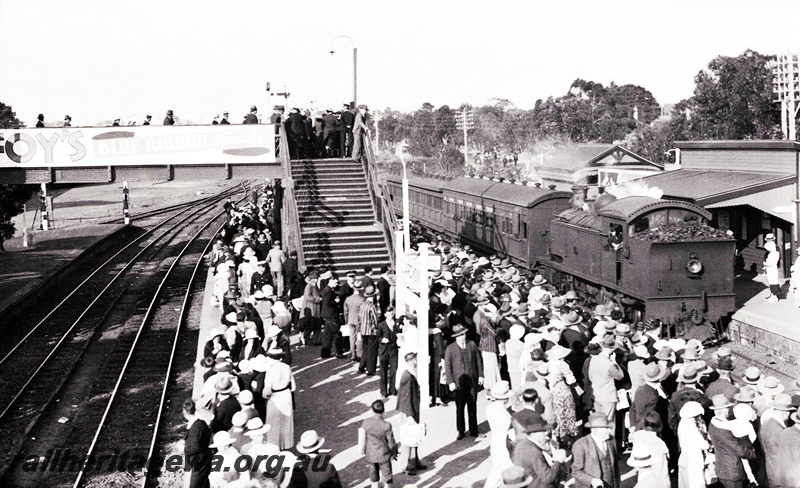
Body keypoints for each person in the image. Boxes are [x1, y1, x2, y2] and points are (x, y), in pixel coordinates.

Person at [444, 324, 484, 439]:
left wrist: (481, 375)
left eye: (463, 334)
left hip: (472, 380)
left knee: (472, 406)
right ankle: (461, 430)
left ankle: (474, 430)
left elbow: (478, 360)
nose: (462, 337)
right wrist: (450, 381)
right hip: (458, 383)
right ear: (456, 337)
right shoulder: (450, 348)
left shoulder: (471, 345)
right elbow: (448, 366)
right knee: (460, 406)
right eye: (460, 335)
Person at [707, 394, 756, 488]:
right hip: (732, 471)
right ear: (725, 409)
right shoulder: (723, 430)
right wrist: (753, 454)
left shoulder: (714, 424)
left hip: (723, 469)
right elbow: (740, 450)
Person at [510, 410, 568, 488]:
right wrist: (558, 461)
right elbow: (547, 477)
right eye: (543, 431)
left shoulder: (520, 445)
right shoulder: (533, 452)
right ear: (534, 433)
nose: (546, 433)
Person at [571, 412, 621, 488]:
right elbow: (575, 471)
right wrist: (591, 480)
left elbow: (615, 467)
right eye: (606, 428)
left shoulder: (611, 440)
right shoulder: (580, 445)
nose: (609, 431)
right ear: (596, 429)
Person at [397, 351, 427, 476]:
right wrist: (409, 415)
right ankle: (406, 465)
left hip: (412, 409)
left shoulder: (409, 374)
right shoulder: (408, 376)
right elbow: (406, 397)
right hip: (408, 411)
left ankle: (414, 461)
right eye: (416, 359)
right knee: (407, 437)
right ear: (413, 360)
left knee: (414, 436)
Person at [359, 400, 398, 488]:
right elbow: (391, 443)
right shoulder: (387, 425)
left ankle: (375, 485)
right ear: (383, 410)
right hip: (384, 454)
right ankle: (387, 485)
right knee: (387, 474)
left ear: (372, 410)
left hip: (371, 453)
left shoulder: (366, 422)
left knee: (373, 472)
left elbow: (362, 436)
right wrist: (395, 452)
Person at [484, 381, 514, 488]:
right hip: (504, 449)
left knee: (495, 475)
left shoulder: (490, 408)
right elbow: (511, 434)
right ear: (506, 398)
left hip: (495, 444)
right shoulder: (505, 415)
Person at [759, 393, 793, 488]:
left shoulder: (766, 424)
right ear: (785, 412)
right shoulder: (781, 431)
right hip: (783, 477)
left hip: (772, 471)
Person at [183, 400, 213, 488]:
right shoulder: (200, 422)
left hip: (199, 462)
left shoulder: (195, 428)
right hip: (204, 459)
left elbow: (195, 447)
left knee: (195, 485)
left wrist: (184, 448)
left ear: (184, 412)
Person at [359, 286, 380, 375]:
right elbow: (375, 320)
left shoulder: (363, 304)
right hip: (371, 331)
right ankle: (370, 369)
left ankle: (362, 366)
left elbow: (359, 317)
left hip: (363, 330)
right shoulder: (372, 306)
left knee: (366, 348)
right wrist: (377, 329)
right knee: (372, 351)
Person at [321, 276, 344, 358]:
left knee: (328, 334)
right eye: (335, 282)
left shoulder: (327, 289)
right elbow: (327, 303)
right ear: (331, 281)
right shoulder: (328, 290)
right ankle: (339, 351)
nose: (336, 284)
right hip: (331, 315)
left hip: (327, 315)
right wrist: (335, 301)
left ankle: (325, 352)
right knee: (337, 333)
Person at [377, 310, 399, 397]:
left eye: (392, 314)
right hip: (384, 350)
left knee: (394, 370)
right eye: (389, 314)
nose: (391, 316)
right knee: (383, 371)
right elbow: (377, 336)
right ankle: (383, 392)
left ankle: (392, 389)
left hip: (393, 349)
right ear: (385, 314)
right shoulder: (381, 325)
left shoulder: (396, 323)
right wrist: (382, 339)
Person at [764, 236, 782, 302]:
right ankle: (772, 295)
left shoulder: (774, 253)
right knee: (771, 281)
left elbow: (770, 263)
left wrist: (765, 263)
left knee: (773, 282)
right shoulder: (772, 253)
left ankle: (774, 296)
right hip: (771, 269)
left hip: (772, 268)